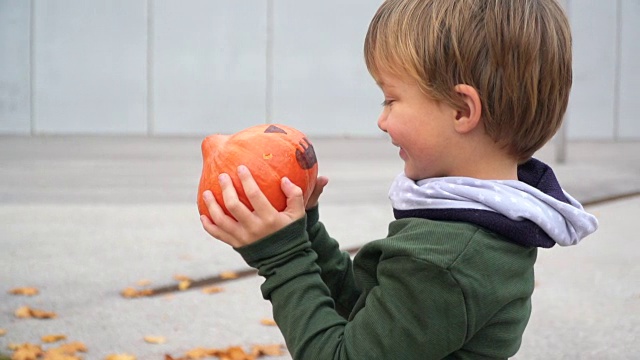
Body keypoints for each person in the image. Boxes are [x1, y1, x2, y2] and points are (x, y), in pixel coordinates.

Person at [200, 0, 599, 358]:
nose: (381, 119)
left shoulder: (448, 260)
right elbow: (372, 315)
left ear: (462, 110)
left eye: (391, 99)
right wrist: (305, 235)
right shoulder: (476, 221)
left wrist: (283, 257)